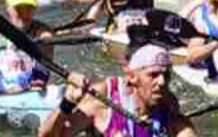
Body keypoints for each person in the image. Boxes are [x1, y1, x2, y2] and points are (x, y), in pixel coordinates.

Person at [40, 44, 197, 137]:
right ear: (132, 77)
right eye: (153, 75)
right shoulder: (102, 101)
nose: (162, 82)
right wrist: (68, 102)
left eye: (166, 75)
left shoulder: (168, 106)